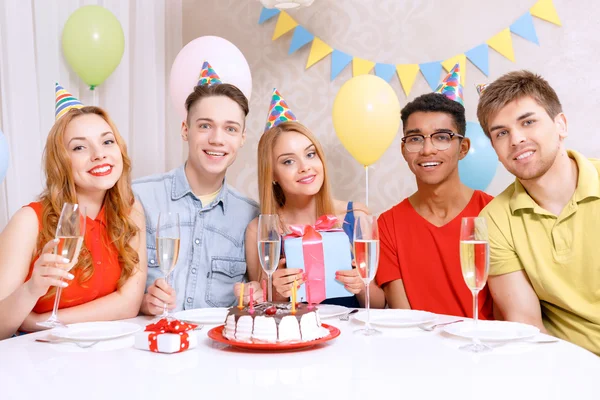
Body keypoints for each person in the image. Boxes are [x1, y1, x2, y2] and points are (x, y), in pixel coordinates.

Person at [0, 84, 146, 339]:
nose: (99, 154)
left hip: (105, 357)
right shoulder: (28, 222)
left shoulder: (129, 212)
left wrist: (38, 321)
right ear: (61, 162)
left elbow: (129, 304)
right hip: (39, 363)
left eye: (107, 141)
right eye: (80, 147)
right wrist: (32, 288)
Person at [477, 70, 600, 355]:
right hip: (565, 369)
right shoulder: (494, 219)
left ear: (561, 125)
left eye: (528, 122)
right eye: (501, 133)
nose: (516, 139)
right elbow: (526, 326)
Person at [133, 62, 259, 315]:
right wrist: (144, 303)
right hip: (153, 345)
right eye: (205, 126)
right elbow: (112, 288)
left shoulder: (252, 217)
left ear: (242, 138)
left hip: (218, 350)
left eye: (230, 129)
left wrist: (254, 293)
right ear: (185, 130)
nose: (217, 139)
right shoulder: (138, 197)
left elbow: (256, 295)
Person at [245, 89, 386, 309]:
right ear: (272, 174)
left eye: (310, 154)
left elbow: (379, 306)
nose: (305, 167)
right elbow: (261, 309)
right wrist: (277, 292)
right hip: (293, 338)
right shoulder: (261, 231)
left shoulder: (356, 216)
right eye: (288, 162)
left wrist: (362, 285)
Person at [375, 65, 495, 319]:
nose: (427, 150)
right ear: (404, 149)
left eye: (441, 137)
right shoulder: (387, 225)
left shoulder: (494, 214)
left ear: (463, 148)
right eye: (416, 139)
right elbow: (403, 316)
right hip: (421, 352)